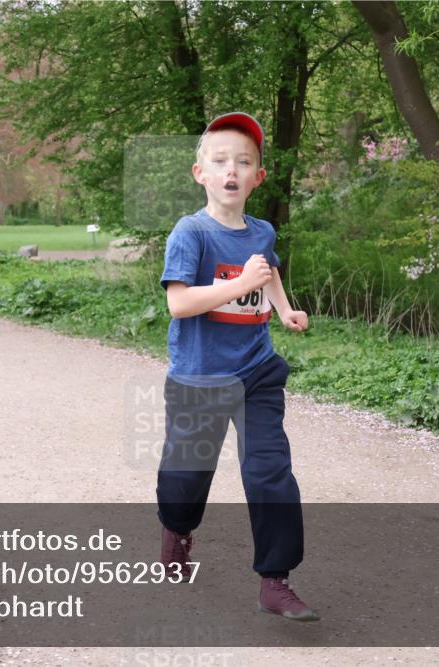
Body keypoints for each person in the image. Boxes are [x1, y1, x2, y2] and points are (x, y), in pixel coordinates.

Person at [156, 112, 315, 621]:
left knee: (271, 472)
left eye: (243, 162)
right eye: (220, 160)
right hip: (199, 377)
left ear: (257, 177)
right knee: (186, 481)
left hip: (256, 372)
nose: (232, 169)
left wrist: (283, 307)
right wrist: (240, 284)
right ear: (199, 173)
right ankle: (177, 529)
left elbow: (265, 275)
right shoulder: (191, 233)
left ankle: (276, 578)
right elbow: (179, 305)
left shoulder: (262, 231)